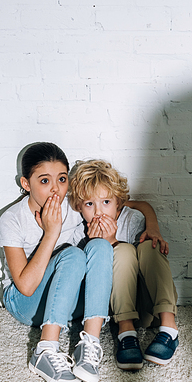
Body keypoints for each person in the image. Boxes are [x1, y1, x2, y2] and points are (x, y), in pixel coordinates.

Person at [0, 142, 160, 382]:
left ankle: (89, 345)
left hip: (66, 302)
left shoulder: (72, 206)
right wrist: (52, 233)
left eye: (61, 179)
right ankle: (45, 349)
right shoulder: (12, 219)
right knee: (72, 255)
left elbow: (127, 203)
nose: (55, 189)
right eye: (44, 181)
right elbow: (26, 287)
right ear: (25, 184)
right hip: (25, 303)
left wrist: (152, 226)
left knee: (100, 246)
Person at [68, 159, 179, 371]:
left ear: (118, 202)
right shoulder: (79, 233)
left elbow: (140, 266)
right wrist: (99, 244)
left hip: (147, 307)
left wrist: (114, 241)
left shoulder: (132, 219)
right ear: (79, 207)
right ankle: (126, 333)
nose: (99, 212)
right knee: (123, 250)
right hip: (115, 313)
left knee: (148, 246)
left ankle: (169, 328)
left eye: (106, 202)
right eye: (90, 204)